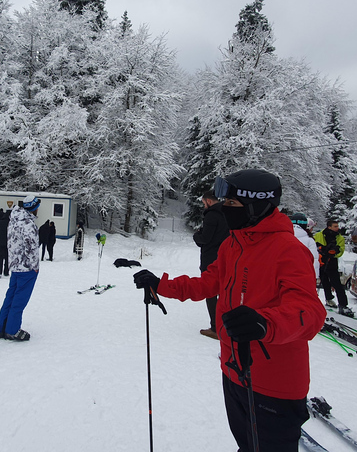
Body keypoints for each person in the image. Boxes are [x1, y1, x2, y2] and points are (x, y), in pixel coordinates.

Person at [133, 169, 326, 451]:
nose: (225, 210)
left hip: (274, 382)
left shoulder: (289, 250)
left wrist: (264, 323)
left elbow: (310, 311)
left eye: (233, 204)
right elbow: (208, 283)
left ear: (257, 206)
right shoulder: (233, 244)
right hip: (234, 370)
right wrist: (161, 285)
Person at [0, 195, 41, 341]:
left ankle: (2, 328)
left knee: (10, 297)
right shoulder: (28, 224)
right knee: (19, 300)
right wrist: (34, 266)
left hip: (15, 265)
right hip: (27, 268)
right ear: (34, 208)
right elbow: (32, 247)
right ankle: (12, 330)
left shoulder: (14, 220)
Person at [193, 190, 229, 340]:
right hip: (227, 257)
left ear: (208, 201)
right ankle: (227, 326)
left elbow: (206, 238)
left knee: (210, 292)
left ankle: (215, 327)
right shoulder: (228, 213)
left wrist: (197, 235)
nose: (204, 206)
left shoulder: (211, 216)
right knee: (226, 292)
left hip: (210, 258)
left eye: (203, 203)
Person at [313, 219, 354, 317]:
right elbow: (314, 246)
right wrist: (321, 250)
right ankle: (328, 299)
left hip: (332, 262)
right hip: (321, 261)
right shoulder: (319, 235)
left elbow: (341, 250)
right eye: (335, 226)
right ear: (329, 227)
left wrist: (335, 252)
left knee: (336, 283)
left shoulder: (339, 237)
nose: (337, 228)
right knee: (324, 281)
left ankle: (343, 304)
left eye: (337, 226)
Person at [0, 209, 11, 278]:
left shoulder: (0, 222)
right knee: (8, 258)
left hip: (0, 242)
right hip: (8, 243)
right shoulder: (11, 223)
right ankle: (6, 272)